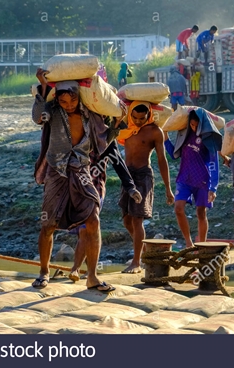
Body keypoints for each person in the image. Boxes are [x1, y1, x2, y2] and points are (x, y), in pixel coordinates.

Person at [32, 68, 122, 292]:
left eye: (72, 101)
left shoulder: (90, 114)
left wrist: (117, 125)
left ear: (78, 97)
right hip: (57, 171)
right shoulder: (51, 110)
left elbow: (103, 138)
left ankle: (92, 276)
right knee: (48, 224)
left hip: (82, 170)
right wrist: (43, 87)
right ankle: (44, 272)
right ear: (58, 100)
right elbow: (37, 117)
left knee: (93, 220)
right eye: (64, 102)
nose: (68, 105)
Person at [67, 139, 142, 282]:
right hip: (77, 189)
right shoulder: (79, 135)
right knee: (85, 229)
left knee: (85, 228)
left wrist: (131, 187)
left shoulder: (105, 138)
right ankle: (88, 271)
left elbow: (118, 163)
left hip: (95, 188)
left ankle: (76, 269)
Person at [117, 101, 175, 273]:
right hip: (127, 176)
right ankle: (143, 254)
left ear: (148, 115)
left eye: (142, 118)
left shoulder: (155, 132)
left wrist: (168, 188)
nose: (139, 121)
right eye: (135, 117)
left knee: (137, 219)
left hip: (143, 176)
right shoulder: (125, 128)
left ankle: (136, 262)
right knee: (127, 220)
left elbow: (162, 160)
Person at [163, 108, 222, 248]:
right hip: (184, 178)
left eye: (197, 125)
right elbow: (173, 154)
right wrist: (165, 135)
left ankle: (201, 245)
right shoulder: (184, 136)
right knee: (178, 208)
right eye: (192, 125)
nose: (194, 128)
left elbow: (214, 164)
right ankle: (189, 243)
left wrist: (213, 187)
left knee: (201, 213)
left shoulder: (208, 139)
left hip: (202, 180)